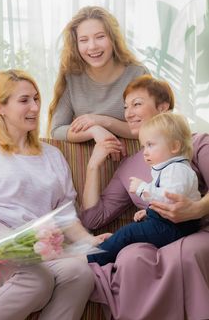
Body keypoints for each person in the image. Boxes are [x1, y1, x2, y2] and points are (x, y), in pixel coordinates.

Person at [0, 69, 107, 320]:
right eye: (24, 100)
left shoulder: (52, 155)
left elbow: (66, 215)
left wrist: (92, 243)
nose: (35, 107)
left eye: (36, 99)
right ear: (0, 107)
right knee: (36, 279)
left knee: (80, 274)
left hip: (39, 245)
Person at [81, 74, 209, 320]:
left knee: (186, 254)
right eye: (126, 107)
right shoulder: (128, 166)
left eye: (137, 104)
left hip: (198, 229)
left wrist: (196, 209)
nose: (128, 113)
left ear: (163, 108)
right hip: (158, 234)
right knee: (130, 257)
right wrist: (93, 166)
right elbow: (93, 219)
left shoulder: (196, 143)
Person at [87, 112, 201, 266]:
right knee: (129, 233)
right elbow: (164, 201)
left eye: (150, 145)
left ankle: (91, 259)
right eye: (143, 146)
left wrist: (142, 188)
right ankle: (101, 253)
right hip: (170, 222)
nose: (145, 152)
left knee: (128, 233)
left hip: (177, 227)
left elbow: (170, 198)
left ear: (174, 146)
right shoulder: (168, 168)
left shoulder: (177, 169)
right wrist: (150, 211)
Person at [47, 5, 148, 144]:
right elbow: (57, 130)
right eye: (83, 40)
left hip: (135, 159)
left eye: (100, 37)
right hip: (89, 159)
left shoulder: (137, 74)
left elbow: (150, 128)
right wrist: (94, 130)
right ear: (76, 45)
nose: (92, 46)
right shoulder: (72, 77)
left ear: (113, 39)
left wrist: (104, 122)